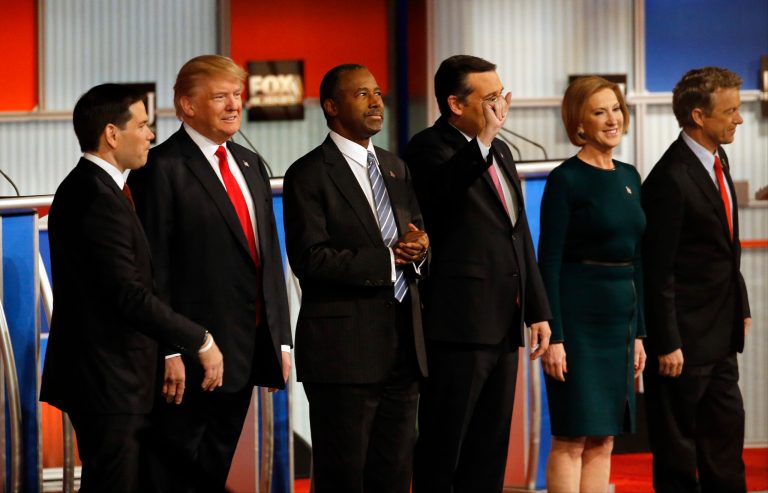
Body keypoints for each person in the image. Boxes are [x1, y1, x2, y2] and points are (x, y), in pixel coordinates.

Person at [40, 84, 224, 493]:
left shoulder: (101, 189)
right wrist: (200, 339)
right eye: (142, 124)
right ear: (111, 133)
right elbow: (128, 295)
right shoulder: (93, 196)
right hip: (107, 381)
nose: (151, 135)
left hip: (115, 379)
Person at [127, 55, 292, 492]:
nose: (233, 105)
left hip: (244, 352)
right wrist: (168, 350)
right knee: (167, 477)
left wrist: (280, 339)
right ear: (187, 105)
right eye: (220, 96)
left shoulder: (250, 163)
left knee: (212, 472)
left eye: (237, 94)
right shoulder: (159, 168)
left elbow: (268, 258)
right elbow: (152, 270)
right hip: (189, 358)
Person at [404, 54, 552, 492]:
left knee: (489, 450)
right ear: (455, 104)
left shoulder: (501, 150)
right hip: (458, 325)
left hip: (505, 320)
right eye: (490, 98)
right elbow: (440, 200)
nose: (499, 107)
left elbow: (517, 232)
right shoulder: (427, 148)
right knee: (444, 445)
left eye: (500, 95)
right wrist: (484, 140)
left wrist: (538, 310)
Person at [282, 64, 429, 493]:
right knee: (343, 476)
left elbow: (414, 232)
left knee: (395, 473)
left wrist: (420, 249)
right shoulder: (308, 174)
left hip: (403, 348)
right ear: (331, 106)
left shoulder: (395, 167)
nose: (377, 101)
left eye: (379, 92)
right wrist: (387, 260)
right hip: (343, 355)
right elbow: (311, 259)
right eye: (362, 94)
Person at [642, 66, 751, 493]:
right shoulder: (670, 178)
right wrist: (667, 341)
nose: (739, 119)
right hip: (682, 344)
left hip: (721, 337)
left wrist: (739, 306)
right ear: (699, 116)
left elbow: (727, 250)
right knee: (678, 457)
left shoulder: (718, 159)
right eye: (731, 111)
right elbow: (658, 268)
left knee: (726, 443)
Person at [537, 76, 647, 493]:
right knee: (572, 436)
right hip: (577, 323)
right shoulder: (566, 179)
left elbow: (636, 258)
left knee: (604, 438)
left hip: (620, 322)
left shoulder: (630, 176)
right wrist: (555, 336)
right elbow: (548, 261)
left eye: (616, 108)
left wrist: (638, 333)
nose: (612, 118)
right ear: (579, 123)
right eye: (599, 112)